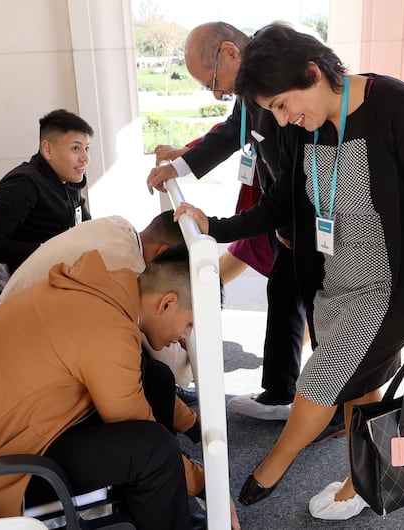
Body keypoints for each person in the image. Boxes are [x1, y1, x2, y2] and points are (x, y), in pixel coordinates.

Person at [174, 22, 404, 521]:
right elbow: (282, 200)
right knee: (362, 389)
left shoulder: (397, 108)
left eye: (283, 105)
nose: (283, 120)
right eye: (274, 111)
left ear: (312, 72)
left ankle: (274, 464)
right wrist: (214, 226)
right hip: (336, 285)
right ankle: (361, 479)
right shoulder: (310, 128)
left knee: (321, 378)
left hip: (390, 288)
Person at [0, 246, 240, 529]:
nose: (186, 337)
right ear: (167, 302)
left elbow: (139, 385)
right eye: (189, 324)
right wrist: (207, 483)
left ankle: (162, 500)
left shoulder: (103, 292)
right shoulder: (107, 329)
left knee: (156, 376)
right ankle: (169, 506)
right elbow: (139, 429)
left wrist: (194, 425)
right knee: (155, 452)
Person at [147, 22, 345, 440]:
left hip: (314, 222)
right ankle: (279, 393)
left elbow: (288, 193)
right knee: (283, 293)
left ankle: (337, 411)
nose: (219, 95)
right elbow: (231, 134)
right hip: (289, 220)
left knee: (321, 315)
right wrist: (181, 165)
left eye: (213, 83)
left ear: (230, 53)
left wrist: (215, 226)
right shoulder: (251, 92)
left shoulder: (284, 89)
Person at [0, 211, 196, 395]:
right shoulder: (128, 269)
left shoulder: (119, 226)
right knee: (152, 374)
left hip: (11, 332)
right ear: (165, 254)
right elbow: (171, 363)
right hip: (19, 368)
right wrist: (189, 340)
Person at [0, 109, 93, 274]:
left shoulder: (67, 179)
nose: (85, 158)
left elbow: (85, 225)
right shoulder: (23, 184)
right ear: (48, 150)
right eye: (75, 149)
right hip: (40, 283)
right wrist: (50, 250)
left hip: (68, 272)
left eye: (87, 148)